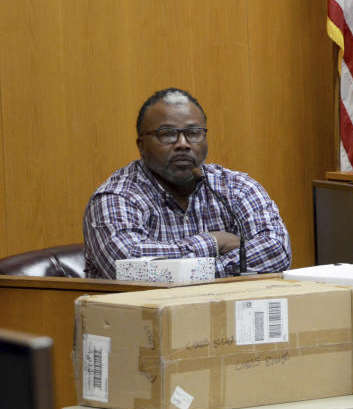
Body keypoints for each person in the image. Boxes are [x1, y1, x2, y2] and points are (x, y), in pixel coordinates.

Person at [83, 88, 291, 278]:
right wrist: (214, 242)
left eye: (193, 133)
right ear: (141, 145)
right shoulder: (116, 197)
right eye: (168, 134)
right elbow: (127, 267)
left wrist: (188, 273)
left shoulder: (237, 187)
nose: (183, 144)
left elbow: (277, 252)